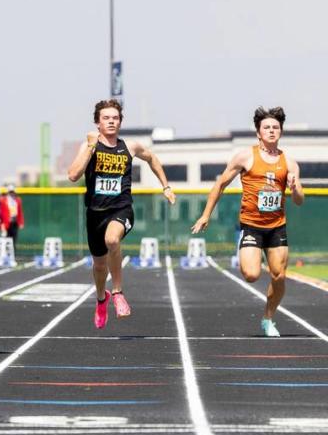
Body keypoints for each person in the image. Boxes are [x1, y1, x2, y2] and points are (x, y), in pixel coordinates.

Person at [192, 107, 304, 337]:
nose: (271, 131)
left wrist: (295, 187)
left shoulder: (290, 162)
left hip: (276, 226)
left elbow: (299, 200)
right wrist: (205, 215)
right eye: (267, 128)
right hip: (251, 226)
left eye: (275, 127)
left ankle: (268, 318)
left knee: (279, 275)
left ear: (281, 132)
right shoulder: (245, 157)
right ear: (258, 133)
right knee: (251, 275)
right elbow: (220, 184)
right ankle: (253, 252)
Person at [67, 99, 176, 329]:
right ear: (97, 122)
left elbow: (152, 158)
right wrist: (89, 147)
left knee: (112, 239)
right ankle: (101, 298)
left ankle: (117, 292)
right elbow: (73, 175)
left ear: (120, 122)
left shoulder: (130, 147)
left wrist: (165, 186)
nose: (111, 122)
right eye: (106, 118)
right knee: (98, 266)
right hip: (95, 214)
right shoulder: (89, 145)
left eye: (115, 118)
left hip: (122, 209)